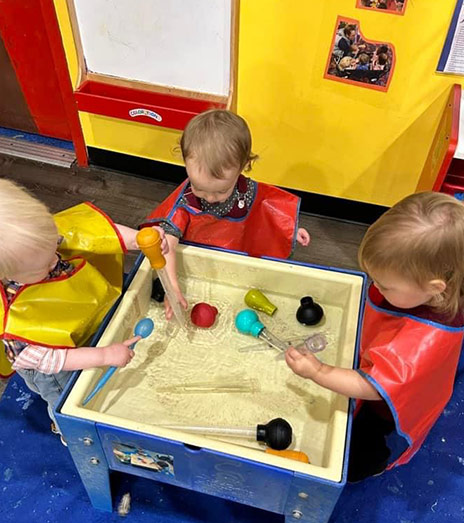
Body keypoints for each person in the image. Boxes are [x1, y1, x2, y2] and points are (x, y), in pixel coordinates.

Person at [285, 192, 464, 481]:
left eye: (385, 285)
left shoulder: (422, 341)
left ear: (434, 287)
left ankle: (372, 464)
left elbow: (373, 387)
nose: (377, 287)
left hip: (384, 409)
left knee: (357, 457)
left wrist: (318, 371)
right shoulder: (441, 270)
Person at [0, 179, 168, 442]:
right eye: (46, 265)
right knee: (67, 399)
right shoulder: (13, 322)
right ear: (4, 274)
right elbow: (52, 361)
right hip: (54, 368)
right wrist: (103, 355)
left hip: (71, 327)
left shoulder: (38, 237)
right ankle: (66, 429)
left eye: (53, 248)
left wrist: (137, 240)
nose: (55, 259)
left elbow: (96, 233)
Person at [143, 109, 309, 319]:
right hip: (200, 265)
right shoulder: (186, 200)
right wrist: (173, 287)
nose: (209, 198)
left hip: (236, 262)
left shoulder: (246, 191)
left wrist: (290, 231)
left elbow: (267, 213)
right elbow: (167, 243)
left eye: (221, 191)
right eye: (199, 188)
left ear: (244, 167)